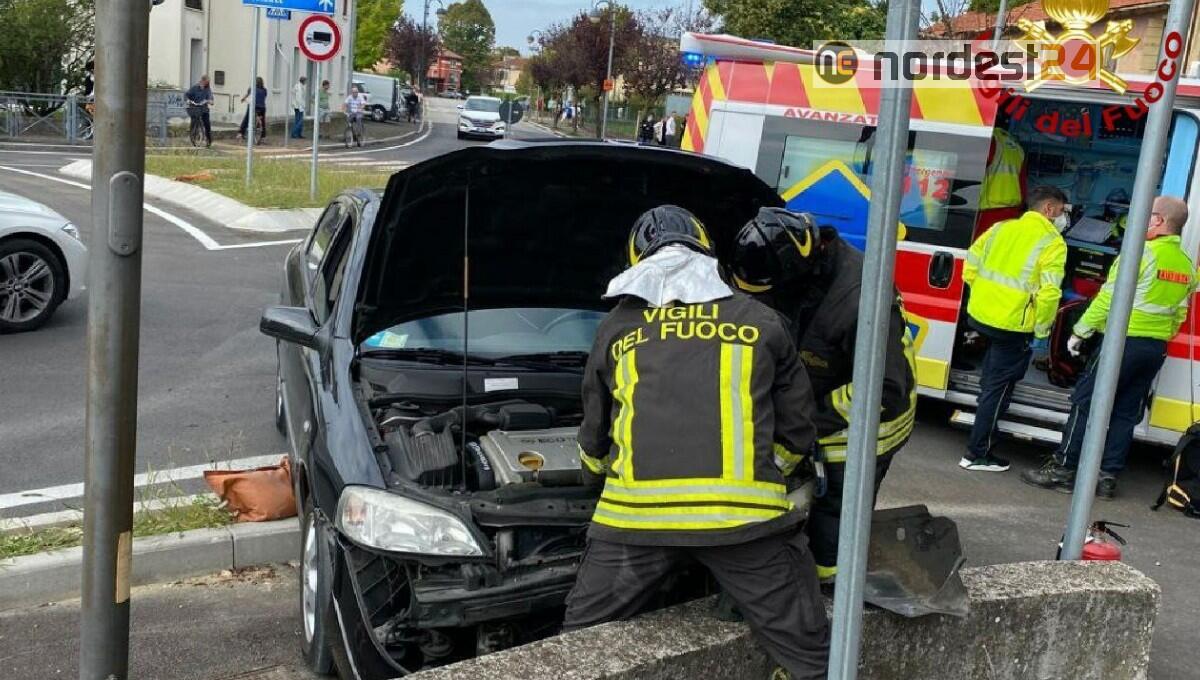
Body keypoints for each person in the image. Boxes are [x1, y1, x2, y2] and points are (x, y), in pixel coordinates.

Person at [565, 206, 830, 680]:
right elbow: (797, 431)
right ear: (707, 250)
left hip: (634, 525)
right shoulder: (764, 322)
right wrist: (770, 472)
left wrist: (593, 474)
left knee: (582, 645)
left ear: (635, 260)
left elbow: (594, 435)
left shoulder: (618, 328)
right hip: (743, 525)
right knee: (807, 651)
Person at [731, 208, 917, 580]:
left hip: (870, 422)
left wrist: (802, 419)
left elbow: (885, 389)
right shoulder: (793, 273)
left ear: (794, 273)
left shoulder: (860, 299)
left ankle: (829, 591)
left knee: (835, 511)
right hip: (818, 401)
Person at [1023, 196, 1196, 499]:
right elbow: (1179, 313)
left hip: (1122, 342)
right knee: (1126, 412)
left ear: (1158, 221)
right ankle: (1106, 478)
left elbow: (1107, 298)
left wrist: (1080, 330)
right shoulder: (1185, 265)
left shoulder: (1140, 255)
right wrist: (1159, 337)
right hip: (1153, 349)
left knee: (1084, 401)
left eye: (1145, 214)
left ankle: (1063, 469)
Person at [959, 185, 1069, 472]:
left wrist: (982, 295)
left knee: (991, 379)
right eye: (1061, 211)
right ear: (1048, 209)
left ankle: (979, 437)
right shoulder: (1052, 242)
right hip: (1013, 327)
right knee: (999, 387)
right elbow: (1049, 294)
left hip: (981, 316)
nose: (1062, 217)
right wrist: (1042, 333)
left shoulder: (1000, 228)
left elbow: (970, 263)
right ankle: (976, 454)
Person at [185, 74, 214, 147]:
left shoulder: (208, 89)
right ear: (202, 81)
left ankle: (209, 140)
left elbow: (211, 99)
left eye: (208, 83)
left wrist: (208, 101)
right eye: (206, 82)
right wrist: (188, 100)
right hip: (195, 108)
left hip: (204, 109)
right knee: (194, 121)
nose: (207, 84)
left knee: (207, 124)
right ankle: (193, 136)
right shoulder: (195, 88)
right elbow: (186, 95)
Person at [238, 76, 268, 141]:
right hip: (262, 108)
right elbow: (264, 97)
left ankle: (241, 133)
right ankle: (263, 136)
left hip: (254, 107)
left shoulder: (252, 88)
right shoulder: (265, 90)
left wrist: (243, 99)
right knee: (263, 121)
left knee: (247, 118)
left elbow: (247, 95)